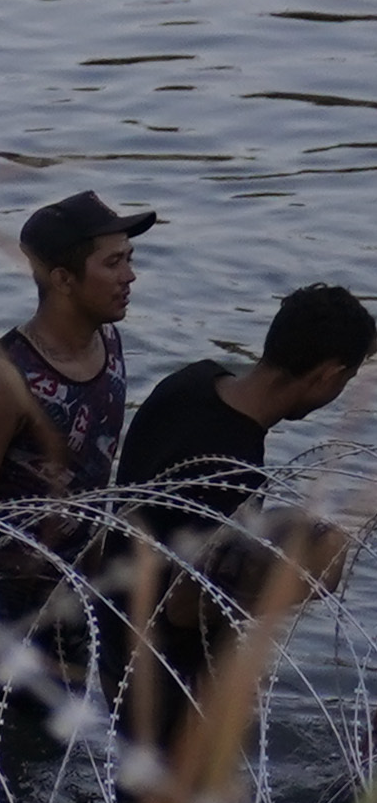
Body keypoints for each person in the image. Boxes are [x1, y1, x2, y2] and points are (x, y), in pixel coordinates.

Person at [0, 189, 149, 790]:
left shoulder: (111, 345)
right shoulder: (2, 380)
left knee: (35, 781)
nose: (130, 276)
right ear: (62, 278)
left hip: (64, 607)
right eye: (113, 263)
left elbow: (93, 477)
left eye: (129, 259)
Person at [118, 279, 369, 761]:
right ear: (327, 376)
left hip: (115, 626)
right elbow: (183, 606)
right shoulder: (233, 468)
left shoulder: (190, 383)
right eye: (345, 380)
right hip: (164, 672)